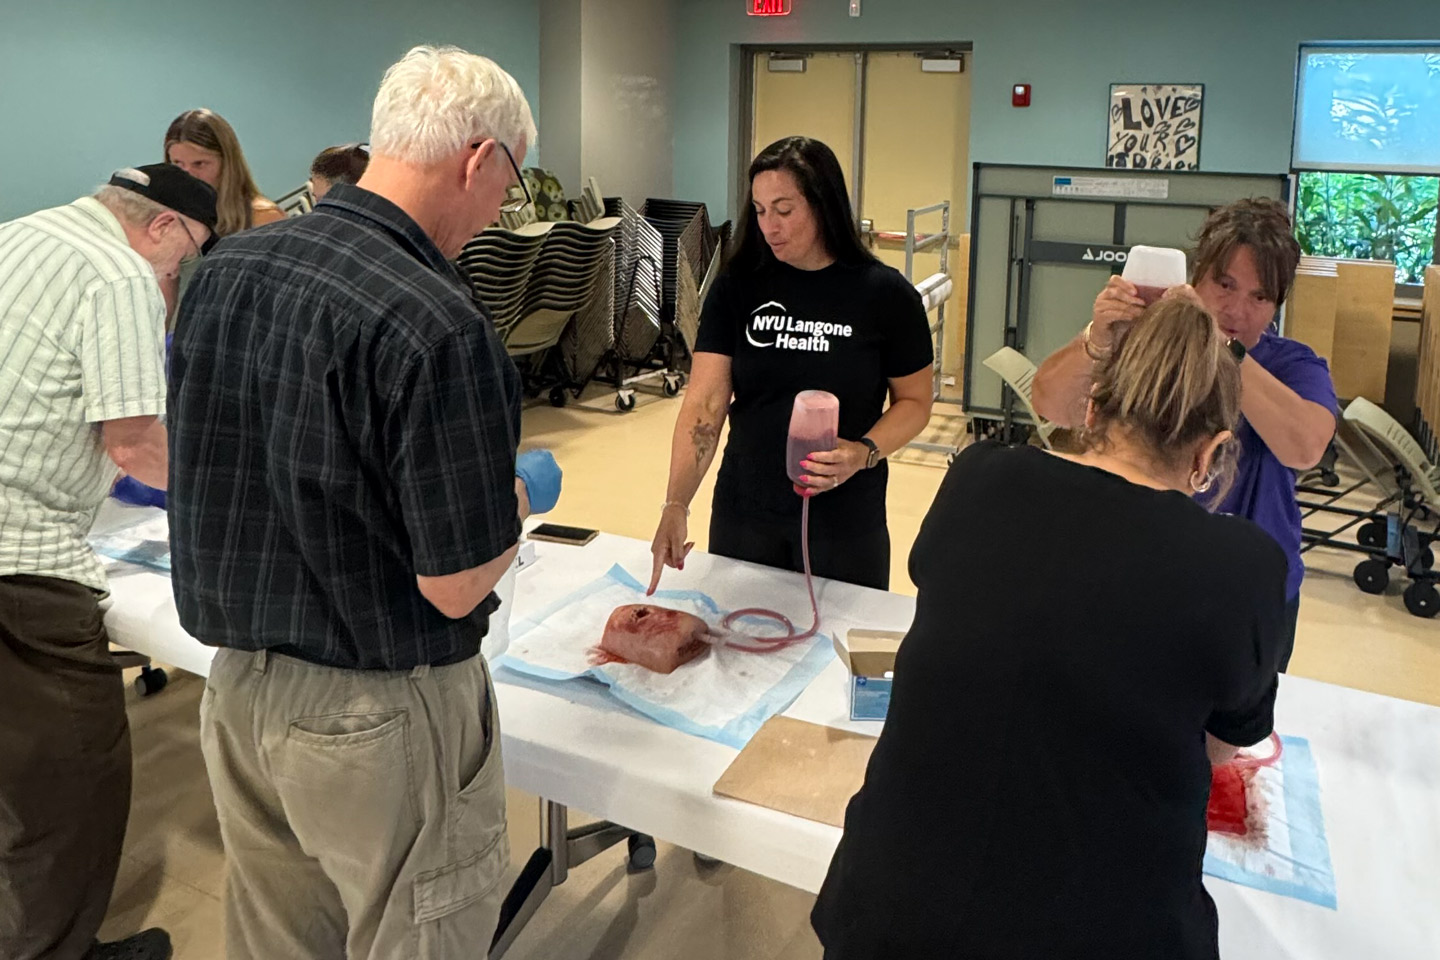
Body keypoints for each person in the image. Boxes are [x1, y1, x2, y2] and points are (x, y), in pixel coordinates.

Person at [168, 45, 556, 958]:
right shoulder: (437, 321)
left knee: (278, 939)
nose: (501, 209)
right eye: (510, 183)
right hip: (376, 714)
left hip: (239, 697)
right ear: (478, 159)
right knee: (417, 934)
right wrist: (517, 494)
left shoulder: (222, 272)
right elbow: (456, 584)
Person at [813, 297, 1289, 959]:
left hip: (887, 908)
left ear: (1092, 412)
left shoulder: (980, 478)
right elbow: (1213, 749)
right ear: (1210, 454)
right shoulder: (1245, 569)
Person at [0, 164, 216, 960]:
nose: (171, 278)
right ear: (159, 227)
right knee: (72, 779)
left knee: (12, 767)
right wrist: (229, 491)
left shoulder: (19, 234)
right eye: (180, 260)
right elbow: (131, 440)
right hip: (22, 561)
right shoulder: (118, 272)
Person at [1031, 198, 1337, 671]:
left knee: (1234, 737)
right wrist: (1099, 335)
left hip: (1248, 593)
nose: (1237, 308)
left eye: (1260, 298)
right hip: (1140, 574)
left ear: (1277, 305)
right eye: (1224, 284)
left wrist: (1223, 348)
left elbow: (1306, 447)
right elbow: (1051, 404)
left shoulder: (1292, 365)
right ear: (1195, 277)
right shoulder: (1146, 348)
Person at [649, 136, 935, 594]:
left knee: (835, 653)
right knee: (738, 646)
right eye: (760, 211)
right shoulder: (737, 288)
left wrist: (863, 452)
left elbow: (917, 403)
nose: (770, 226)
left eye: (784, 210)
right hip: (746, 510)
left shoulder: (886, 296)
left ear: (824, 205)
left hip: (846, 518)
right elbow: (704, 401)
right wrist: (676, 502)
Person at [163, 108, 285, 236]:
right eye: (177, 164)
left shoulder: (264, 217)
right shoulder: (168, 220)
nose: (188, 176)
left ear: (227, 164)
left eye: (199, 164)